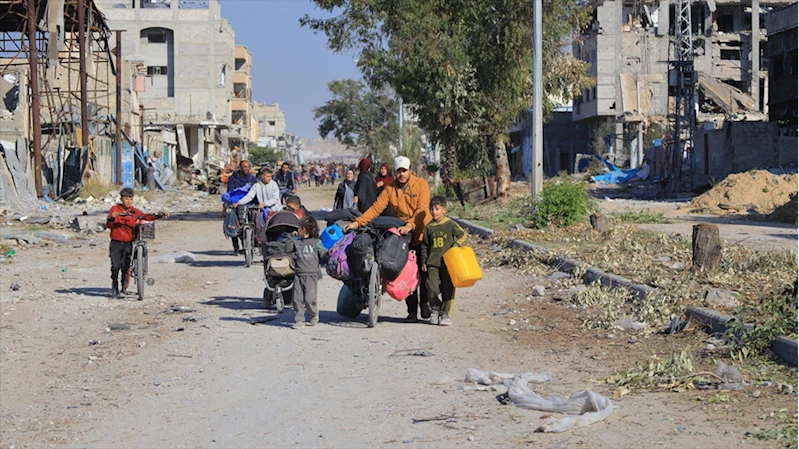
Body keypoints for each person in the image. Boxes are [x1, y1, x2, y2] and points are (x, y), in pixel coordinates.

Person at [344, 156, 432, 322]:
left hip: (421, 233)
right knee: (405, 271)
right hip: (403, 235)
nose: (401, 174)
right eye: (398, 171)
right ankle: (412, 311)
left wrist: (410, 225)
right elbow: (376, 208)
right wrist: (358, 222)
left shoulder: (421, 185)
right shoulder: (390, 189)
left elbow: (422, 210)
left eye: (404, 170)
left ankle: (425, 304)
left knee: (424, 271)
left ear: (410, 170)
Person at [106, 188, 169, 299]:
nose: (128, 201)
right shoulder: (115, 209)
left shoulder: (134, 211)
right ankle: (114, 285)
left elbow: (146, 217)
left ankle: (124, 287)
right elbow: (108, 223)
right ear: (121, 199)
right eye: (126, 199)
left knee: (126, 266)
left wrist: (159, 215)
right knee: (115, 266)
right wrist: (113, 217)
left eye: (131, 199)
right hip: (115, 242)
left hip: (128, 242)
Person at [421, 196, 466, 326]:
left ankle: (446, 314)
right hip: (433, 264)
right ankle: (435, 309)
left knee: (448, 289)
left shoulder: (450, 224)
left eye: (437, 209)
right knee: (432, 288)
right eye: (432, 209)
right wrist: (424, 261)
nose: (434, 212)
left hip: (449, 263)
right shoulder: (428, 227)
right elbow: (424, 245)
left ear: (444, 210)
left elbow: (462, 235)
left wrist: (456, 245)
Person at [286, 216, 327, 329]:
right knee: (297, 298)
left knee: (309, 299)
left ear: (305, 229)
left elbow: (322, 252)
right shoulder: (297, 242)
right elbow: (288, 250)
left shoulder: (316, 242)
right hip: (298, 274)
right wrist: (290, 237)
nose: (297, 230)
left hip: (312, 274)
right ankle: (299, 320)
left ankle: (314, 313)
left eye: (299, 228)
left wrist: (330, 253)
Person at [231, 167, 281, 254]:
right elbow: (249, 197)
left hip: (274, 209)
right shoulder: (257, 186)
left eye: (270, 176)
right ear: (262, 176)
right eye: (268, 176)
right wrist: (238, 203)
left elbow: (275, 199)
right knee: (256, 219)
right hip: (262, 209)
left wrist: (265, 204)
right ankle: (258, 240)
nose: (270, 178)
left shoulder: (274, 184)